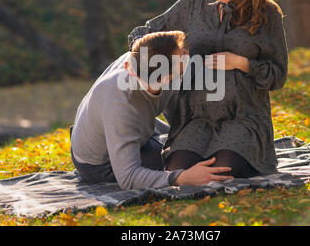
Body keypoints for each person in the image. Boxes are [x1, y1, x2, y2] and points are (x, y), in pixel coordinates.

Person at [128, 0, 289, 179]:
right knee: (177, 174)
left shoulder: (268, 13)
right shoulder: (195, 2)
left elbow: (278, 76)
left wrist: (241, 63)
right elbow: (142, 34)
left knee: (219, 173)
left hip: (243, 118)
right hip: (195, 118)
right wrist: (159, 65)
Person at [70, 31, 234, 190]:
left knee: (196, 145)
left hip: (133, 132)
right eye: (182, 54)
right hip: (100, 163)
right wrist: (182, 177)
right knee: (190, 158)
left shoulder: (144, 57)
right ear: (166, 78)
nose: (187, 54)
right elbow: (128, 177)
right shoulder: (121, 103)